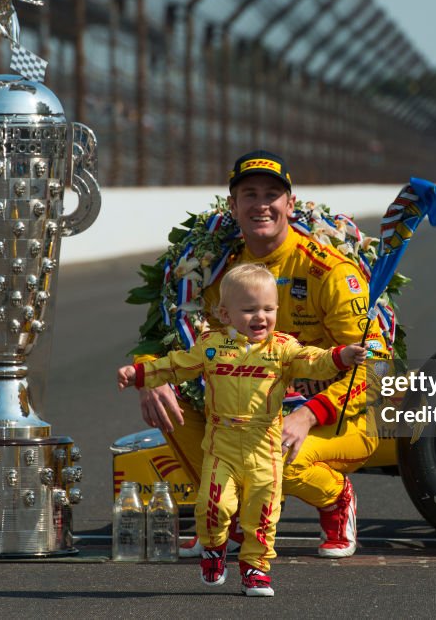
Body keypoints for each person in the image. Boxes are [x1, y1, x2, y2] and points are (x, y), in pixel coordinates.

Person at [134, 149, 390, 559]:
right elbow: (194, 346)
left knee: (276, 452)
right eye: (249, 194)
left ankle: (336, 498)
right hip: (259, 408)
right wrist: (149, 374)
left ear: (290, 204)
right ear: (232, 206)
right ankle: (229, 516)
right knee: (170, 398)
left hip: (337, 413)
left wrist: (307, 415)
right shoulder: (217, 268)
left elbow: (377, 365)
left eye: (272, 194)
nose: (261, 204)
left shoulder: (330, 271)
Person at [119, 264, 368, 596]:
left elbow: (315, 360)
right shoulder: (210, 346)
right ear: (225, 313)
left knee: (262, 515)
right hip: (222, 444)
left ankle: (256, 570)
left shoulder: (284, 348)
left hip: (265, 446)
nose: (260, 317)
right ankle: (214, 549)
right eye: (249, 310)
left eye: (268, 309)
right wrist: (138, 374)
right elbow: (175, 365)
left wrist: (342, 356)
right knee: (213, 507)